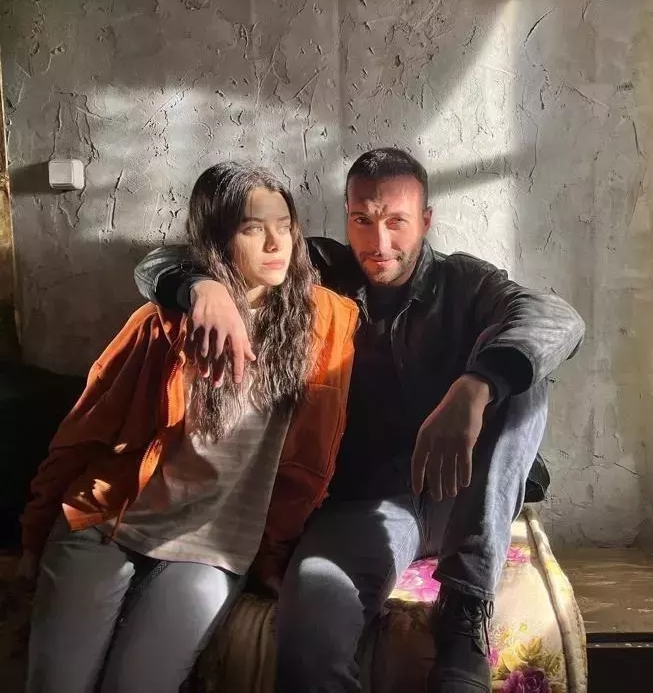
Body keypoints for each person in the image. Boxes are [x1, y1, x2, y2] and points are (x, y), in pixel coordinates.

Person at [135, 148, 585, 693]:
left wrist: (474, 386)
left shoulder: (464, 282)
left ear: (426, 220)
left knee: (523, 375)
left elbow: (557, 317)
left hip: (461, 499)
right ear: (346, 216)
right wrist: (202, 288)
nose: (379, 242)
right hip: (366, 504)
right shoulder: (317, 270)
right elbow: (159, 262)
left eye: (397, 221)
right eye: (362, 221)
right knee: (308, 642)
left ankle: (465, 609)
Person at [19, 162, 357, 693]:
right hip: (110, 521)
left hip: (214, 546)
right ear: (218, 239)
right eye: (253, 228)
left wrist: (275, 555)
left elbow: (308, 466)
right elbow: (82, 431)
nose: (276, 244)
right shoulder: (162, 323)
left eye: (285, 225)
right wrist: (35, 531)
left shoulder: (327, 322)